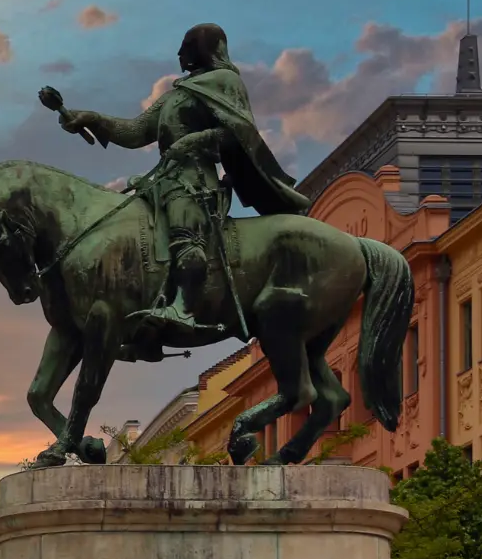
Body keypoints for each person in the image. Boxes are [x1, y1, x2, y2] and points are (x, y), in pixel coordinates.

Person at [54, 23, 309, 336]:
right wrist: (92, 118)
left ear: (205, 48)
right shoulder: (177, 93)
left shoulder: (226, 82)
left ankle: (184, 307)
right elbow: (135, 132)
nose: (179, 53)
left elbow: (238, 133)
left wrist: (194, 141)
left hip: (196, 182)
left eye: (187, 46)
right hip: (163, 179)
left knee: (184, 232)